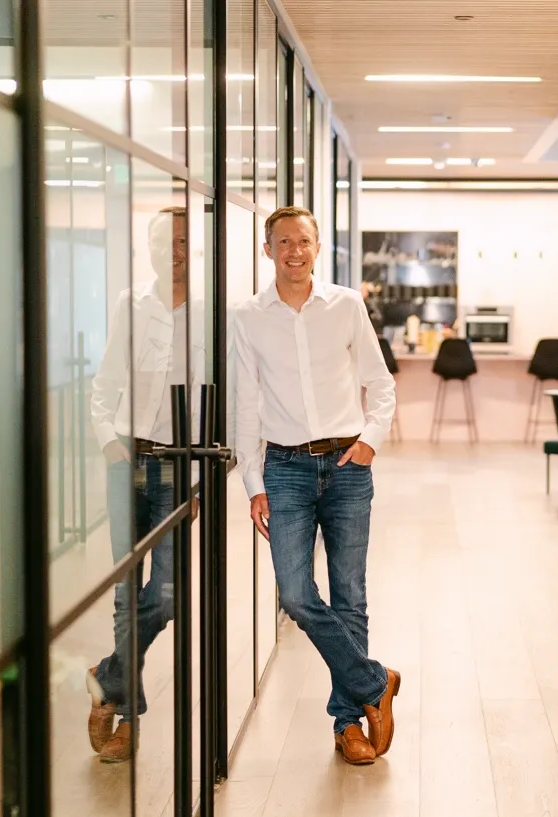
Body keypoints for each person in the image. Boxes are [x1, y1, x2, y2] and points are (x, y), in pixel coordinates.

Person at [230, 205, 400, 766]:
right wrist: (254, 483)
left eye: (303, 240)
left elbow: (380, 382)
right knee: (297, 594)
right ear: (267, 249)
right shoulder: (248, 317)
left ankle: (346, 723)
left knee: (350, 596)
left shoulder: (346, 306)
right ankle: (375, 682)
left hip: (348, 464)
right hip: (285, 469)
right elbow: (246, 408)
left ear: (317, 246)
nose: (294, 251)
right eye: (283, 242)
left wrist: (372, 438)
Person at [85, 205, 203, 763]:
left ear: (193, 248)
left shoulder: (211, 311)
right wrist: (109, 441)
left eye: (183, 241)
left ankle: (109, 677)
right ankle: (128, 716)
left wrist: (202, 473)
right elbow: (105, 383)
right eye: (164, 241)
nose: (174, 250)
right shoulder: (129, 305)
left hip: (177, 467)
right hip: (127, 462)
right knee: (126, 592)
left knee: (169, 592)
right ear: (150, 247)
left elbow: (219, 399)